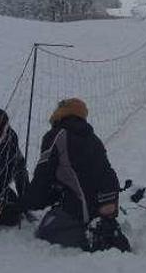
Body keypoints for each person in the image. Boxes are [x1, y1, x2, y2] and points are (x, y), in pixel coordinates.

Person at [23, 98, 130, 252]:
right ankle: (104, 228)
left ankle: (90, 238)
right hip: (108, 205)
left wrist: (24, 203)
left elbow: (42, 179)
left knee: (45, 229)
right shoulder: (94, 139)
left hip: (83, 210)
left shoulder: (56, 136)